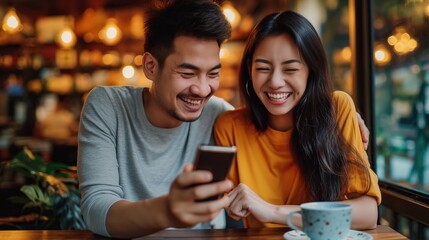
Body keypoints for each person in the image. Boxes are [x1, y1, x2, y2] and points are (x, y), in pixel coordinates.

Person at [77, 1, 234, 238]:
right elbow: (97, 209)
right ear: (151, 66)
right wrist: (168, 211)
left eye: (213, 73)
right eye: (187, 73)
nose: (202, 89)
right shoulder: (108, 105)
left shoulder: (220, 114)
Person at [214, 10, 381, 230]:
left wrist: (272, 212)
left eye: (290, 69)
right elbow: (214, 202)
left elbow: (368, 214)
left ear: (311, 70)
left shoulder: (337, 109)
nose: (275, 82)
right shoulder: (229, 127)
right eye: (263, 68)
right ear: (249, 70)